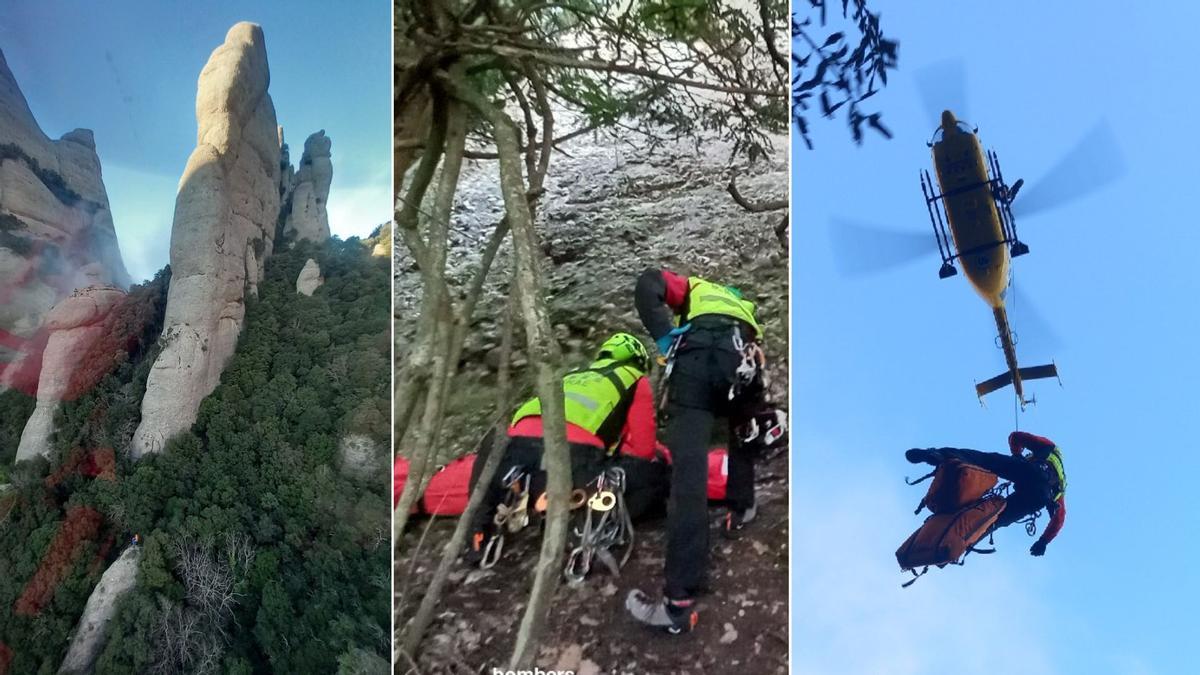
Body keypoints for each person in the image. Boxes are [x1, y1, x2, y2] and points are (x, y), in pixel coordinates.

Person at [626, 267, 769, 634]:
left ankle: (680, 601)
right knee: (742, 433)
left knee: (687, 476)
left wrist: (662, 336)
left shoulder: (694, 288)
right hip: (743, 358)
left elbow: (649, 283)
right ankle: (742, 508)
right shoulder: (746, 307)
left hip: (697, 357)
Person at [465, 332, 664, 563]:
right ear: (639, 362)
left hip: (515, 454)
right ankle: (582, 522)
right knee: (657, 475)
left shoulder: (572, 374)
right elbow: (644, 450)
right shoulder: (634, 379)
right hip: (572, 458)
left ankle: (478, 535)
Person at [905, 430, 1066, 556]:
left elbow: (1016, 437)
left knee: (987, 460)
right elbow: (1059, 519)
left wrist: (1017, 455)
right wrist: (1043, 541)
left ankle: (938, 455)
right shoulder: (1060, 487)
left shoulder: (1049, 447)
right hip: (1040, 497)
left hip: (1033, 472)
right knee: (993, 520)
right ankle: (959, 545)